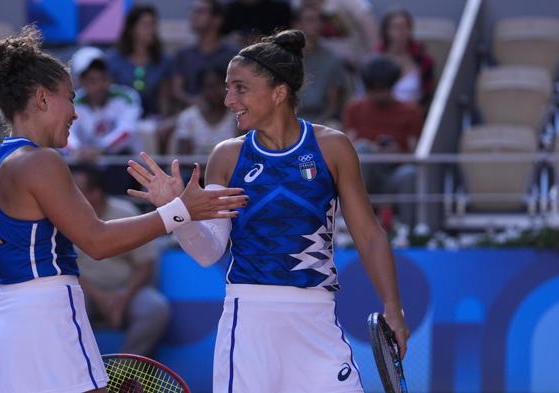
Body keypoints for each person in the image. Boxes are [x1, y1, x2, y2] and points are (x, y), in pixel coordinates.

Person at [127, 29, 410, 393]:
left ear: (279, 93)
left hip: (317, 319)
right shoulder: (227, 156)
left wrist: (393, 307)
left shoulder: (333, 147)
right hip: (249, 322)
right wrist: (176, 211)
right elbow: (209, 251)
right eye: (228, 88)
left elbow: (369, 235)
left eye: (240, 88)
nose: (229, 99)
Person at [0, 25, 247, 393]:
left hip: (3, 328)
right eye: (70, 98)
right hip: (48, 316)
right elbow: (97, 241)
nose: (75, 112)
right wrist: (180, 211)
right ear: (41, 99)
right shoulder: (41, 162)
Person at [73, 165, 170, 357]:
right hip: (84, 292)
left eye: (77, 189)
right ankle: (81, 373)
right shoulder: (65, 218)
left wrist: (123, 299)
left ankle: (124, 372)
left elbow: (145, 264)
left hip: (126, 290)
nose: (70, 194)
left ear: (96, 193)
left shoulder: (126, 212)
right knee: (65, 306)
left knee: (155, 309)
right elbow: (63, 269)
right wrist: (101, 298)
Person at [343, 55, 423, 229]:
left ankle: (410, 232)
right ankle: (355, 222)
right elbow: (347, 147)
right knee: (362, 149)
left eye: (383, 89)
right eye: (375, 90)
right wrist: (372, 150)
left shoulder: (411, 111)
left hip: (393, 174)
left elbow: (415, 156)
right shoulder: (355, 109)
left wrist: (396, 153)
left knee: (409, 173)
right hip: (365, 175)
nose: (379, 95)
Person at [67, 46, 142, 158]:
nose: (99, 85)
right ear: (81, 81)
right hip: (84, 162)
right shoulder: (72, 103)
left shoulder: (127, 97)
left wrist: (101, 149)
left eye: (103, 78)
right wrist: (77, 150)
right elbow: (66, 133)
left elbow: (127, 131)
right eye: (92, 80)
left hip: (123, 161)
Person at [106, 4, 172, 118]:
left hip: (152, 123)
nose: (151, 30)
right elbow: (109, 97)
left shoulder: (162, 61)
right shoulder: (113, 60)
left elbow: (164, 100)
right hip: (119, 120)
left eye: (153, 25)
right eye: (146, 25)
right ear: (132, 29)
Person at [171, 0, 237, 109]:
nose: (193, 16)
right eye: (193, 12)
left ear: (217, 20)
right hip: (191, 115)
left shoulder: (233, 55)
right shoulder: (183, 54)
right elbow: (177, 91)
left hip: (227, 113)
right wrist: (193, 102)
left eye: (200, 12)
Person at [294, 3, 348, 124]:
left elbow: (333, 105)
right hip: (289, 118)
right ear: (297, 25)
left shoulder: (332, 59)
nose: (315, 25)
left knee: (335, 128)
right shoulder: (284, 58)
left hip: (319, 119)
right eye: (309, 20)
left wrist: (316, 125)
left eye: (319, 20)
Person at [170, 65, 237, 155]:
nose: (215, 91)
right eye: (210, 87)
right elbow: (184, 160)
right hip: (196, 168)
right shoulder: (188, 117)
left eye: (220, 85)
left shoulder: (237, 116)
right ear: (201, 90)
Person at [379, 8, 435, 108]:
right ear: (386, 31)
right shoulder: (376, 59)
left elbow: (428, 94)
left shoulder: (423, 60)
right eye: (396, 27)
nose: (401, 32)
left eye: (404, 27)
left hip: (413, 115)